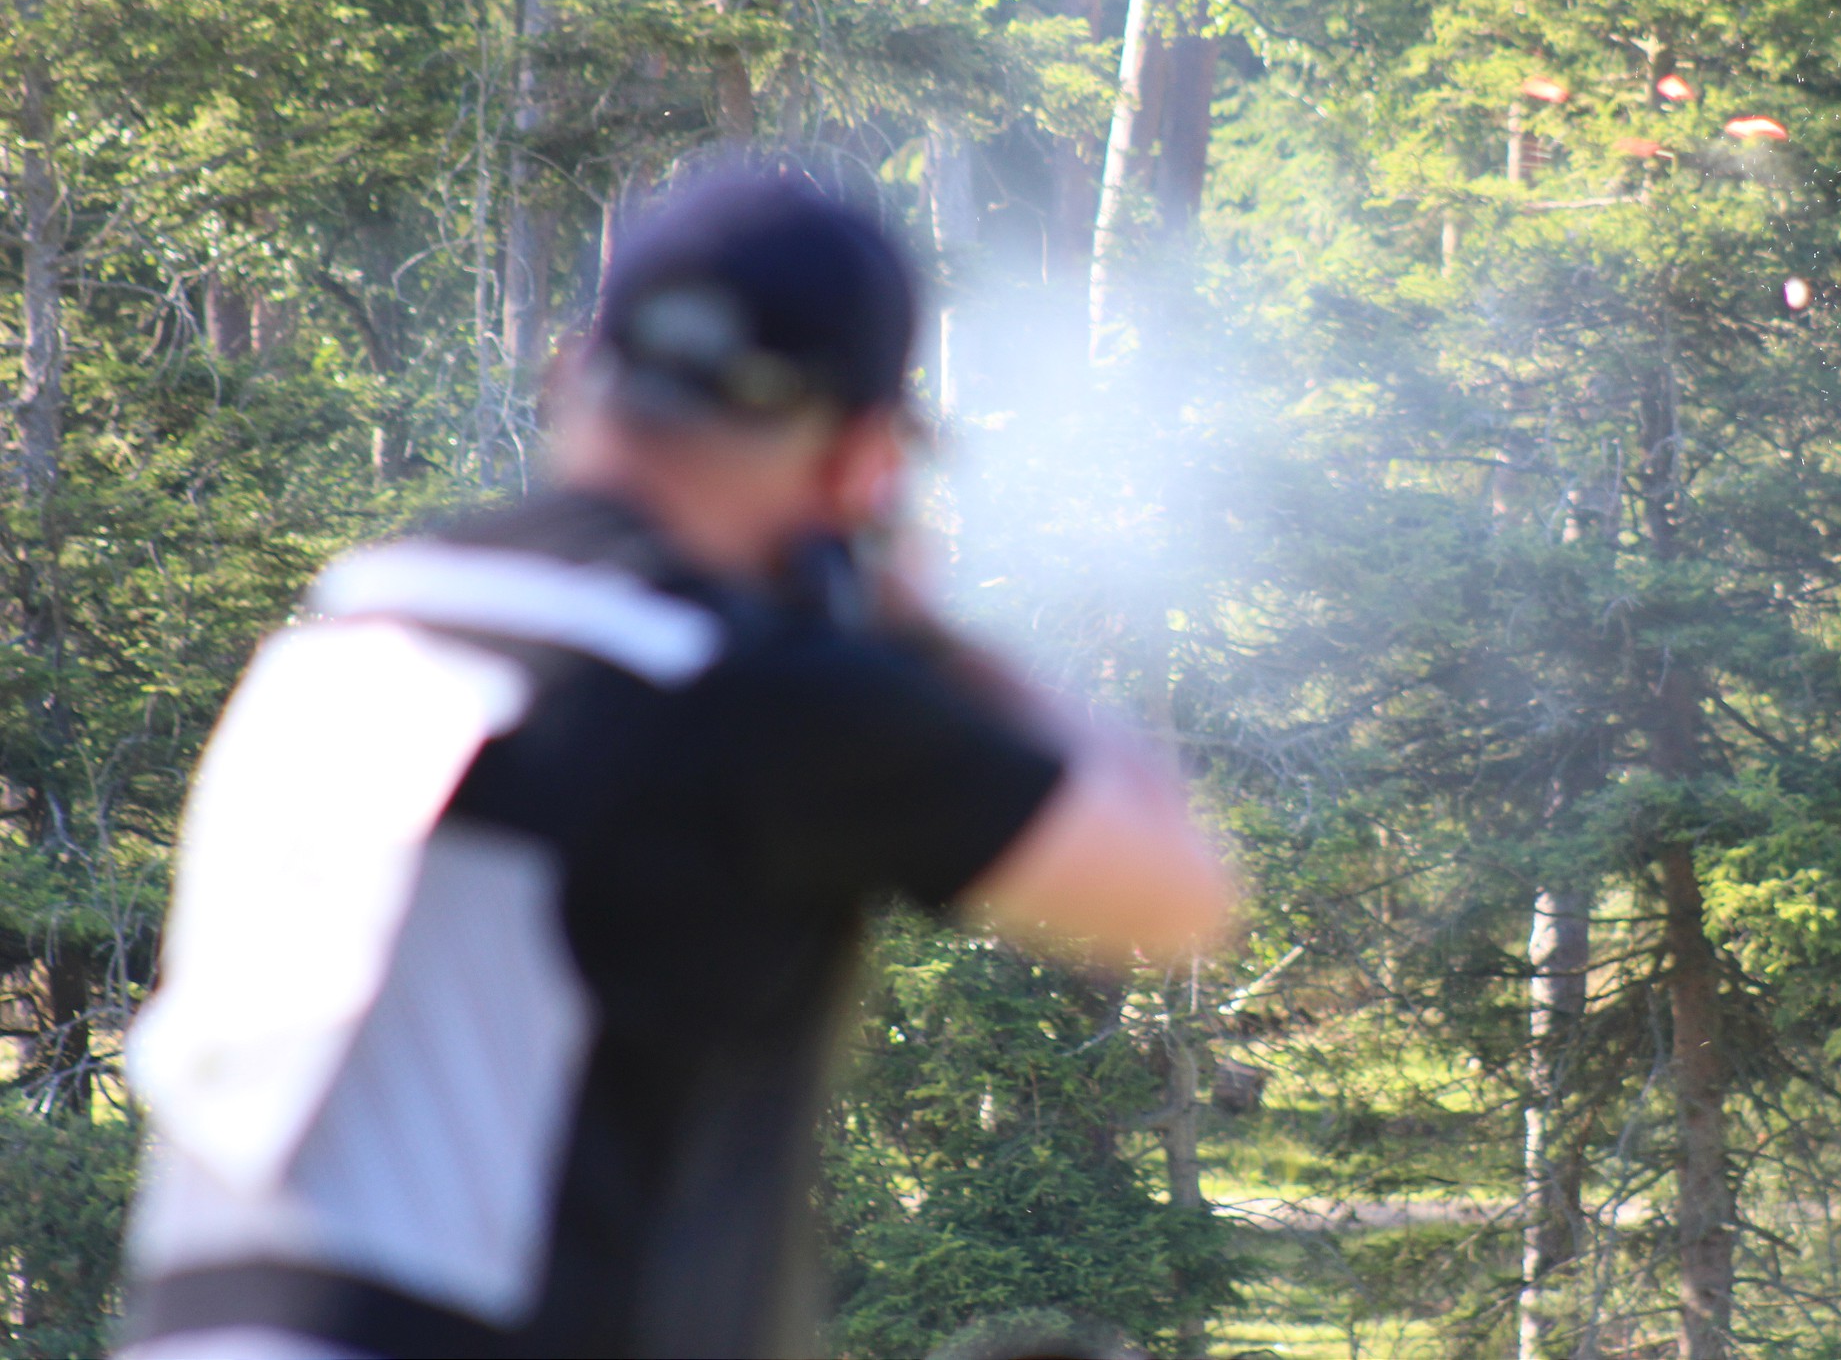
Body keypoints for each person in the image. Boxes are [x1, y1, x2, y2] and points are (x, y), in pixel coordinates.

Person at [115, 166, 1236, 1360]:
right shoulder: (729, 685)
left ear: (571, 375)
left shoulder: (338, 635)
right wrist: (920, 635)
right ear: (862, 461)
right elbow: (1171, 888)